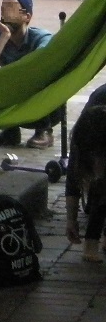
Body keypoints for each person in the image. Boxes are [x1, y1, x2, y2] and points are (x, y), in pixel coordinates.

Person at [0, 0, 58, 149]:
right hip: (13, 94)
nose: (6, 14)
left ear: (27, 16)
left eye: (12, 9)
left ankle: (44, 131)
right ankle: (10, 131)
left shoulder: (42, 37)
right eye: (3, 9)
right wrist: (4, 37)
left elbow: (39, 63)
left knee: (38, 80)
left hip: (43, 99)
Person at [65, 86, 106, 262]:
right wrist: (71, 220)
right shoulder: (86, 130)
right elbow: (74, 175)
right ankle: (93, 240)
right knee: (99, 182)